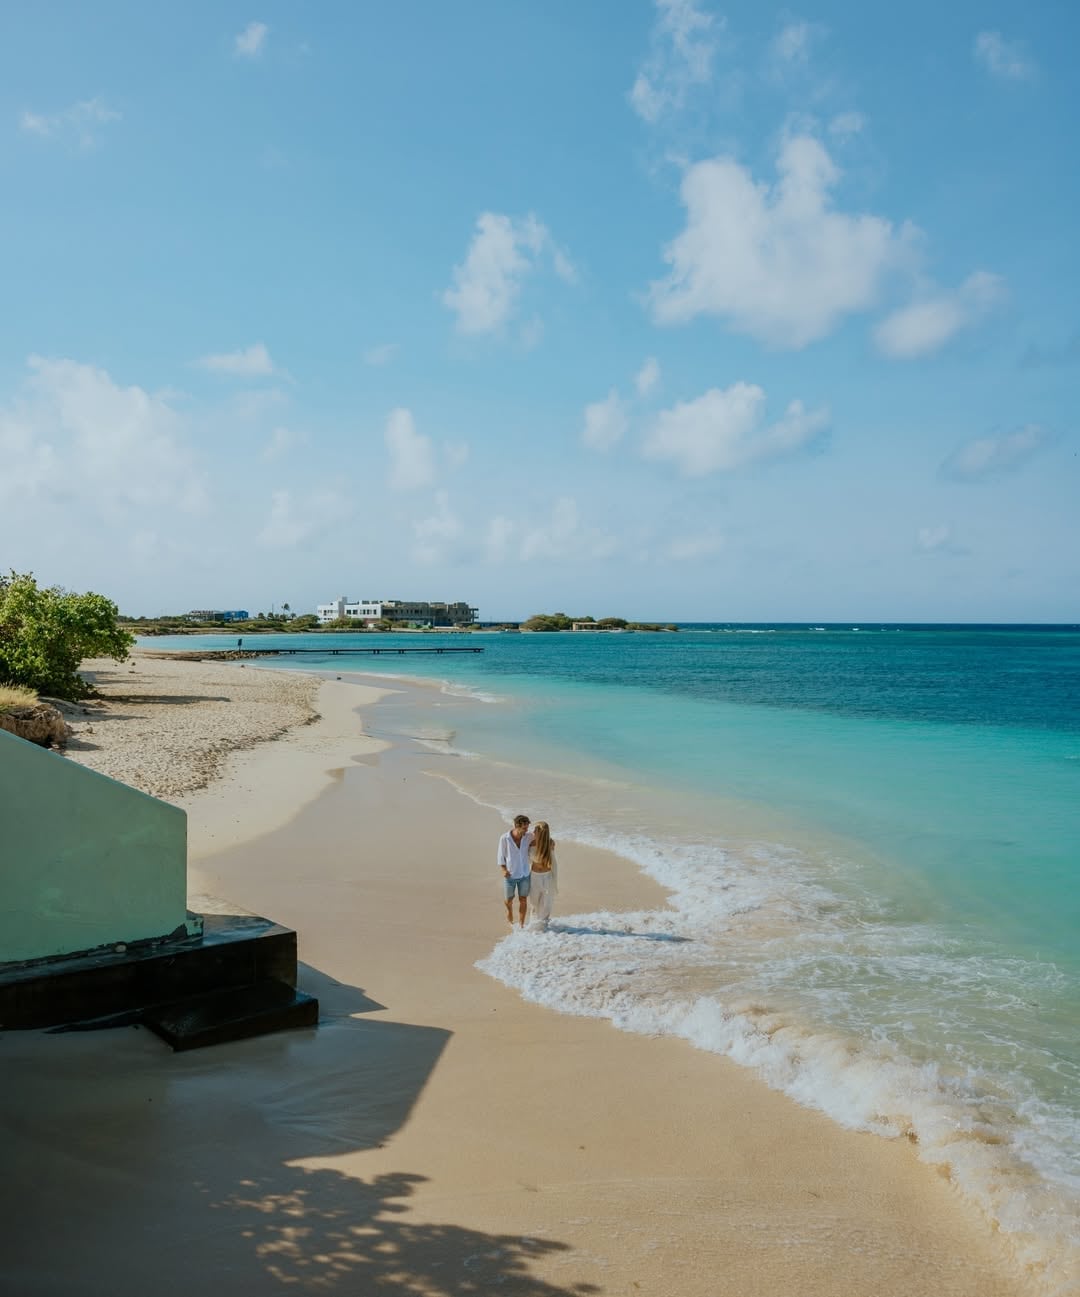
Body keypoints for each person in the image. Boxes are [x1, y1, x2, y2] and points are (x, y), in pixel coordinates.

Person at [497, 814, 532, 928]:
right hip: (510, 875)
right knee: (509, 900)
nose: (526, 830)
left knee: (523, 900)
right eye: (524, 828)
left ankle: (521, 924)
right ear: (517, 826)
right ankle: (510, 912)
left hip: (525, 874)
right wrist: (503, 870)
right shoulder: (505, 838)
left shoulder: (528, 836)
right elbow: (501, 856)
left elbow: (541, 838)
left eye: (527, 828)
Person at [528, 821, 558, 930]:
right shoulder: (531, 843)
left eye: (535, 830)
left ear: (541, 833)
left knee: (546, 903)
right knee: (534, 903)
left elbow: (553, 861)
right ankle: (532, 928)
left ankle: (543, 928)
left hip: (547, 877)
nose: (533, 832)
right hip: (534, 876)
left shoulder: (550, 843)